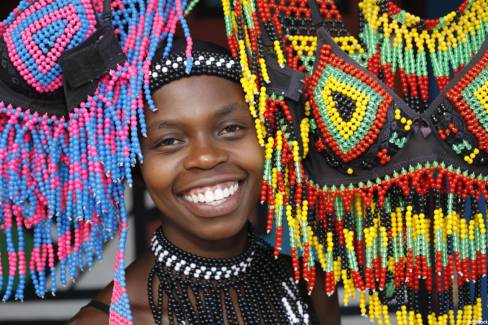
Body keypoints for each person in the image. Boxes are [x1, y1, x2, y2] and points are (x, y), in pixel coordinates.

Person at [68, 39, 341, 325]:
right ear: (137, 165)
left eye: (231, 128)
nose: (206, 157)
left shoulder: (309, 290)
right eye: (169, 141)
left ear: (266, 140)